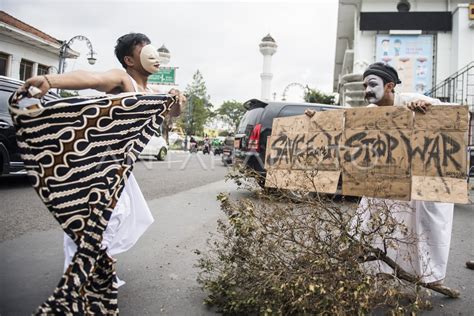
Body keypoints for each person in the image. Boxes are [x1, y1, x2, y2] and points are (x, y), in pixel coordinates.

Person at [18, 33, 183, 286]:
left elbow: (173, 111)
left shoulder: (151, 91)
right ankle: (87, 274)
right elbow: (92, 78)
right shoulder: (121, 79)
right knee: (102, 218)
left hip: (119, 166)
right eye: (144, 50)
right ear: (129, 60)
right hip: (94, 163)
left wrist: (177, 98)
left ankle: (97, 264)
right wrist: (50, 80)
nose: (153, 55)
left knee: (122, 218)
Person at [305, 62, 454, 286]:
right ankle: (374, 266)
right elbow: (345, 124)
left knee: (425, 222)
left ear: (389, 86)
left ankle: (432, 276)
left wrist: (426, 106)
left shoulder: (410, 99)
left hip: (421, 177)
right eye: (364, 85)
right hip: (390, 177)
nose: (366, 90)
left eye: (372, 84)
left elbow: (448, 116)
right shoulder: (369, 113)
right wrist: (318, 118)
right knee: (371, 214)